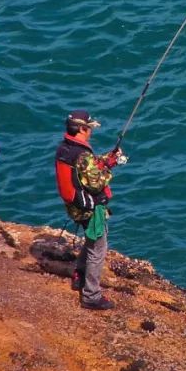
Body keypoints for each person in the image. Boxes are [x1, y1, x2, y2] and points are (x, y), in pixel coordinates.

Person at [54, 110, 127, 310]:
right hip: (88, 209)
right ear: (81, 129)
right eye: (89, 128)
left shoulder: (64, 149)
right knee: (98, 248)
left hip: (74, 206)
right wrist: (110, 167)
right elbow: (95, 183)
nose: (91, 132)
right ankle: (91, 295)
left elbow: (85, 170)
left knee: (91, 240)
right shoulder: (83, 155)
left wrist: (104, 160)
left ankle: (79, 274)